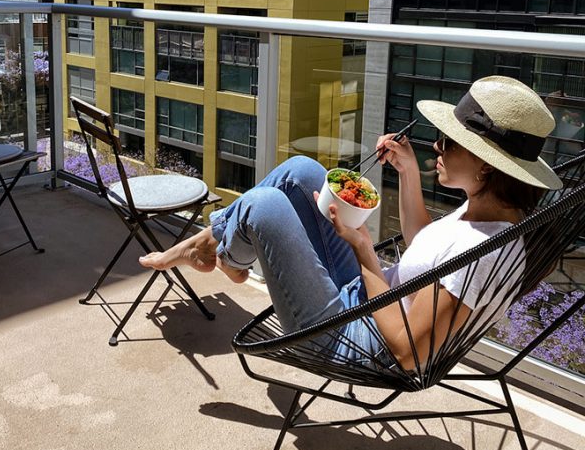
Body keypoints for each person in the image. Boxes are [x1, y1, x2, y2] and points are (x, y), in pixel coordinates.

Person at [140, 76, 562, 371]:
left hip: (358, 339)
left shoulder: (484, 253)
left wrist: (363, 251)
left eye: (450, 141)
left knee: (264, 205)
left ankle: (224, 252)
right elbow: (425, 248)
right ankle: (219, 249)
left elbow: (408, 352)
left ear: (486, 167)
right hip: (366, 302)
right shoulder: (490, 214)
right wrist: (408, 172)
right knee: (302, 172)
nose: (437, 145)